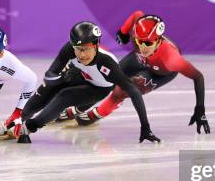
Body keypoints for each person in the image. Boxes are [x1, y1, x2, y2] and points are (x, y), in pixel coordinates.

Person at [57, 11, 210, 134]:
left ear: (158, 40)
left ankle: (97, 114)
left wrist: (200, 109)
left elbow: (198, 76)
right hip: (138, 60)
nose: (143, 47)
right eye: (138, 41)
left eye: (148, 43)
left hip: (159, 72)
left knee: (122, 90)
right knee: (106, 77)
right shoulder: (138, 34)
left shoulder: (172, 59)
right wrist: (123, 32)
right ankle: (79, 107)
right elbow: (137, 14)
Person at [9, 21, 160, 143]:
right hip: (81, 75)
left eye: (87, 49)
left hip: (98, 88)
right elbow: (50, 75)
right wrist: (62, 78)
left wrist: (145, 127)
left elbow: (133, 91)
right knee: (49, 88)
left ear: (96, 46)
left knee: (64, 96)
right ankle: (16, 120)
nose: (82, 54)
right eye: (78, 49)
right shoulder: (69, 49)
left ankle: (29, 127)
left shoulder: (107, 64)